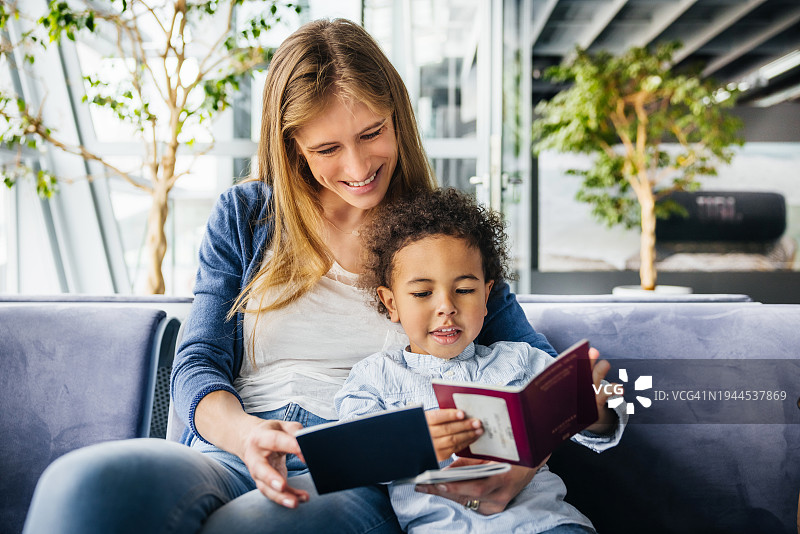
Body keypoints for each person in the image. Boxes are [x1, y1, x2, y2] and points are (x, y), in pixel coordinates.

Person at [24, 18, 559, 534]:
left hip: (358, 467)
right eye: (327, 149)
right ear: (292, 147)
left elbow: (552, 385)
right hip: (234, 449)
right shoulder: (245, 215)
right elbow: (196, 363)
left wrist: (524, 464)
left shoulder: (438, 236)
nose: (357, 166)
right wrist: (246, 435)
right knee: (84, 483)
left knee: (252, 525)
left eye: (371, 133)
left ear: (398, 117)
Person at [335, 188, 627, 533]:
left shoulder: (521, 361)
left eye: (464, 290)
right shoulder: (374, 378)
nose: (446, 306)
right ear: (391, 302)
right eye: (422, 293)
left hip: (546, 525)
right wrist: (414, 442)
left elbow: (608, 418)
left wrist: (594, 409)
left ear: (487, 296)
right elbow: (351, 458)